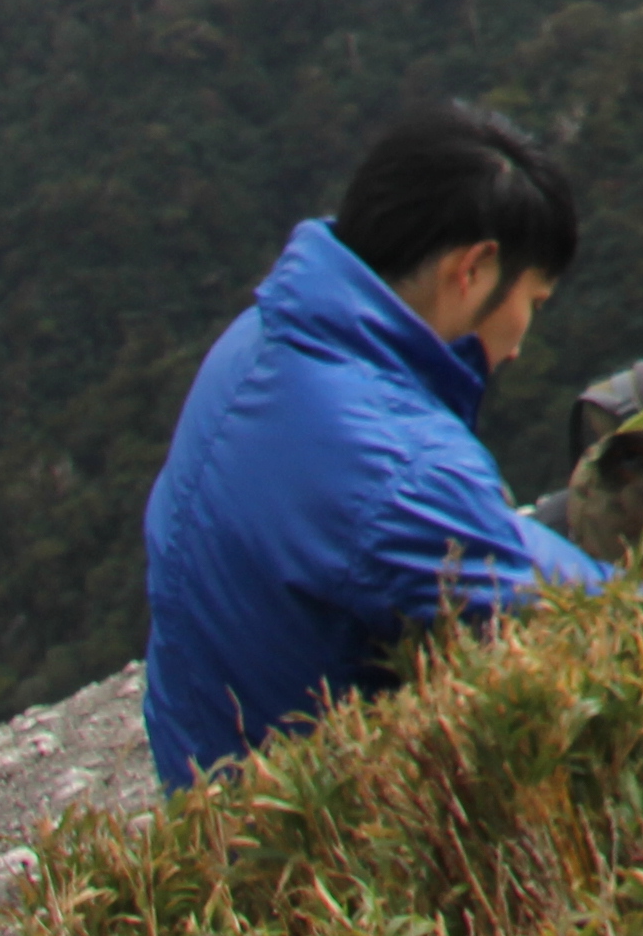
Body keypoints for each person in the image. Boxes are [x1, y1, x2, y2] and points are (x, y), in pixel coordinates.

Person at [142, 101, 615, 788]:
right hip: (303, 844)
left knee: (557, 523)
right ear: (474, 270)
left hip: (209, 763)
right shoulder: (401, 469)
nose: (518, 341)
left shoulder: (258, 338)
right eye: (532, 303)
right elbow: (606, 631)